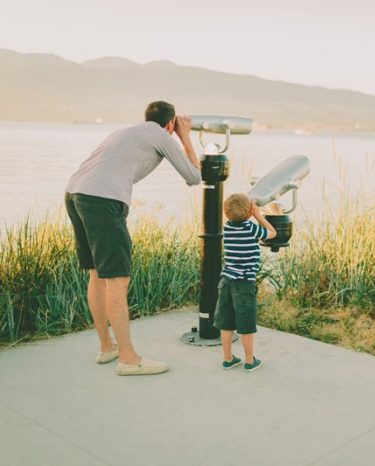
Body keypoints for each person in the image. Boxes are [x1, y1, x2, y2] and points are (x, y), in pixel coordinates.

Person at [64, 101, 201, 376]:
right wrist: (185, 137)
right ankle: (128, 359)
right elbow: (194, 176)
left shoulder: (127, 131)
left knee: (96, 274)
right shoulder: (162, 135)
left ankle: (107, 347)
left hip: (74, 192)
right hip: (102, 200)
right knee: (116, 279)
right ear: (171, 123)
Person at [214, 193, 276, 371]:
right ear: (249, 213)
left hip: (226, 281)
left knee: (226, 323)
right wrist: (258, 215)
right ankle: (249, 361)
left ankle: (228, 359)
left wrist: (249, 212)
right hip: (244, 284)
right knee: (246, 325)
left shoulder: (227, 228)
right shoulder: (251, 228)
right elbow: (272, 233)